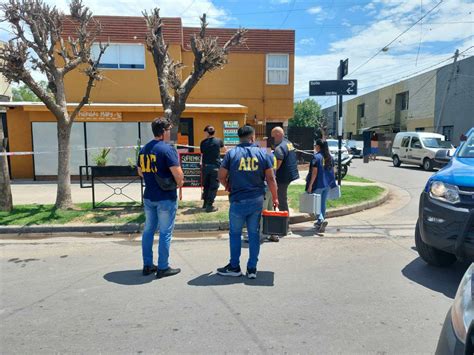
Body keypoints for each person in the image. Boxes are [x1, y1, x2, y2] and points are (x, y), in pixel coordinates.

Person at [217, 125, 278, 279]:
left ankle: (234, 266)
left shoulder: (231, 154)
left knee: (235, 234)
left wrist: (227, 186)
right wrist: (276, 198)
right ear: (252, 137)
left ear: (239, 138)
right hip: (256, 200)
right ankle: (252, 268)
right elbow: (270, 178)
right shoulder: (263, 154)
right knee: (254, 234)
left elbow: (221, 175)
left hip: (237, 200)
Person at [137, 118, 184, 279]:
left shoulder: (144, 149)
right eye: (169, 129)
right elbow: (178, 175)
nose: (170, 132)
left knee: (148, 231)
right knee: (165, 232)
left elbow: (140, 171)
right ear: (163, 131)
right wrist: (179, 183)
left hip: (149, 195)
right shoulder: (167, 149)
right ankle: (163, 267)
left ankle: (147, 265)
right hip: (165, 197)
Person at [271, 127, 299, 239]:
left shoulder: (279, 148)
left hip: (282, 178)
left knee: (282, 201)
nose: (272, 139)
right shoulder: (288, 143)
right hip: (290, 175)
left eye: (273, 136)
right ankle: (284, 225)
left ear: (278, 134)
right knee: (282, 200)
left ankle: (286, 227)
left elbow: (275, 167)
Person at [306, 139, 333, 233]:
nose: (314, 147)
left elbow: (314, 173)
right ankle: (321, 220)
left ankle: (320, 220)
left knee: (316, 205)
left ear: (318, 146)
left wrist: (310, 185)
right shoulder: (329, 157)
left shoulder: (316, 157)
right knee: (322, 204)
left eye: (315, 145)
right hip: (326, 185)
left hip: (317, 184)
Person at [200, 125, 225, 213]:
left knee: (206, 185)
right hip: (215, 166)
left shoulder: (203, 142)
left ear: (207, 132)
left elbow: (202, 152)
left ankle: (205, 203)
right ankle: (209, 205)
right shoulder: (219, 141)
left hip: (206, 166)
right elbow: (223, 149)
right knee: (213, 186)